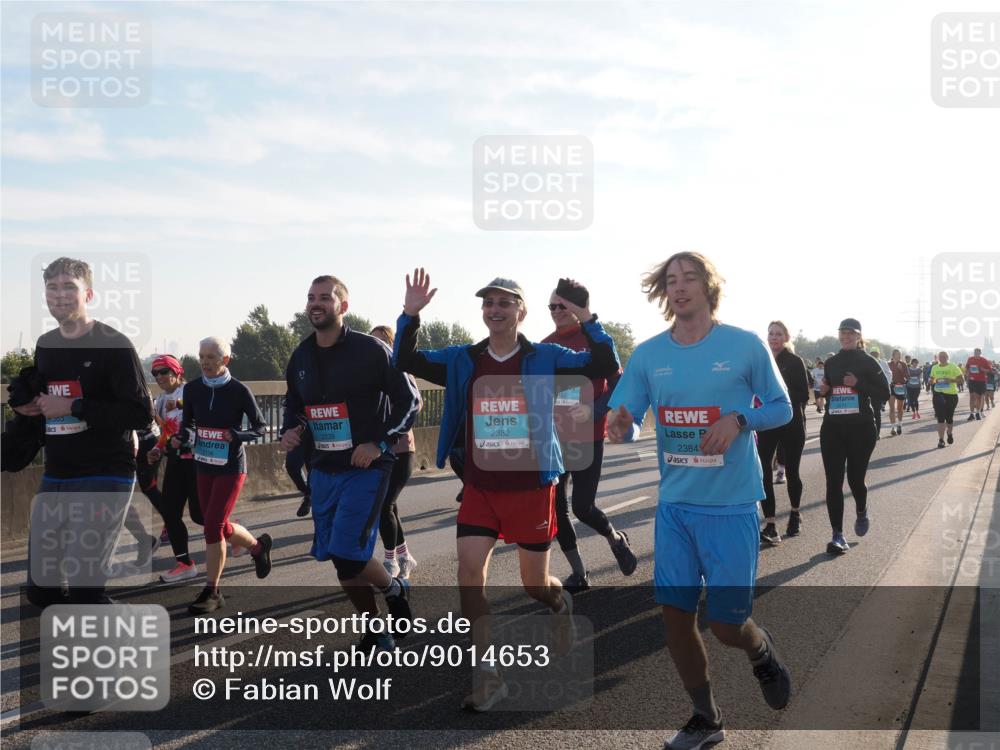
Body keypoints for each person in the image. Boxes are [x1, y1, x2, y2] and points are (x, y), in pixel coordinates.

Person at [395, 269, 619, 712]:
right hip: (480, 485)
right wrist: (411, 315)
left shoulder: (545, 356)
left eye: (504, 303)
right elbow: (407, 360)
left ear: (521, 311)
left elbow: (604, 365)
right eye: (488, 303)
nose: (494, 310)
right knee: (468, 576)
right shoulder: (465, 358)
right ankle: (488, 676)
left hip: (532, 486)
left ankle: (560, 605)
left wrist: (587, 317)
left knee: (535, 584)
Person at [606, 252, 793, 750]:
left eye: (689, 278)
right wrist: (620, 427)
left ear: (708, 287)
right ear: (663, 292)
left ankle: (760, 649)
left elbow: (781, 408)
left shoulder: (745, 345)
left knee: (728, 625)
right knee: (675, 619)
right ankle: (706, 718)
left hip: (730, 506)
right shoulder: (648, 354)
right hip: (675, 507)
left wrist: (739, 420)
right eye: (671, 280)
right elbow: (626, 422)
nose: (680, 287)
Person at [280, 277, 419, 652]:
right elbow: (293, 404)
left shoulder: (371, 349)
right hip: (322, 469)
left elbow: (411, 400)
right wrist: (289, 430)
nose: (316, 303)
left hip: (367, 468)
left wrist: (379, 442)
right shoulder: (301, 356)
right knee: (341, 563)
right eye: (311, 298)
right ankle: (376, 626)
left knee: (347, 551)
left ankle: (393, 588)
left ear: (343, 305)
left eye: (325, 297)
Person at [12, 257, 154, 606]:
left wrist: (74, 407)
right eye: (52, 288)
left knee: (83, 590)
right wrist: (25, 403)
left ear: (88, 294)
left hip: (106, 472)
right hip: (58, 474)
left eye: (69, 287)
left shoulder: (114, 345)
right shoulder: (45, 344)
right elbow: (43, 391)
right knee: (41, 591)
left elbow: (140, 412)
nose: (59, 295)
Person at [543, 279, 636, 592]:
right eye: (551, 306)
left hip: (588, 438)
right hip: (554, 440)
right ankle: (579, 574)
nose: (556, 311)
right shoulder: (545, 344)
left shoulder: (595, 342)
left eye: (561, 306)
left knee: (583, 507)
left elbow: (618, 384)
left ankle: (615, 538)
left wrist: (595, 411)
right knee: (556, 508)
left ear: (576, 308)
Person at [176, 336, 273, 614]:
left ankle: (212, 590)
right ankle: (257, 547)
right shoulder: (192, 389)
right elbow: (188, 423)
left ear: (225, 360)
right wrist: (181, 437)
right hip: (203, 462)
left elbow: (261, 427)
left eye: (211, 357)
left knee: (212, 525)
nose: (205, 362)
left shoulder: (239, 391)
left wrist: (237, 435)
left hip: (231, 467)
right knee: (214, 523)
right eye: (202, 356)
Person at [817, 319, 889, 555]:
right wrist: (823, 391)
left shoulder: (868, 361)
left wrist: (859, 384)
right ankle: (837, 535)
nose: (846, 336)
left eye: (851, 333)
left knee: (855, 479)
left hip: (861, 428)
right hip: (833, 428)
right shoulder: (832, 362)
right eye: (842, 332)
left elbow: (884, 393)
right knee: (833, 481)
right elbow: (825, 391)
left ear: (859, 336)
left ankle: (861, 509)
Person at [370, 324, 422, 580]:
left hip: (401, 450)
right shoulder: (367, 373)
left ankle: (390, 561)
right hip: (379, 451)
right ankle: (405, 556)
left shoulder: (400, 370)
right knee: (390, 507)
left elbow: (415, 403)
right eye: (372, 342)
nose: (376, 346)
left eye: (381, 342)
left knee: (384, 505)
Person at [147, 355, 204, 582]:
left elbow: (204, 412)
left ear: (177, 372)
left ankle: (240, 536)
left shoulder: (191, 391)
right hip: (175, 461)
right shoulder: (160, 401)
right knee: (170, 513)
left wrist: (179, 404)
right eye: (155, 373)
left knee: (201, 516)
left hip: (198, 460)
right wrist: (158, 450)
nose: (160, 377)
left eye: (164, 372)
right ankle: (184, 563)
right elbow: (166, 433)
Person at [757, 321, 810, 545]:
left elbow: (802, 394)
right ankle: (770, 524)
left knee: (793, 472)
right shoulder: (761, 360)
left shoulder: (795, 361)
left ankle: (795, 513)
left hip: (792, 422)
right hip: (767, 423)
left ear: (786, 337)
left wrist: (779, 396)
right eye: (770, 334)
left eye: (778, 334)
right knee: (764, 473)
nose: (773, 338)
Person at [929, 352, 963, 448]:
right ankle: (941, 440)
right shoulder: (935, 367)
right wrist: (932, 381)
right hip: (938, 394)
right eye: (941, 357)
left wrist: (951, 380)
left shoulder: (953, 366)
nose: (942, 358)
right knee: (940, 418)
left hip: (951, 395)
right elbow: (931, 379)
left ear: (948, 357)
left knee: (949, 418)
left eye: (944, 357)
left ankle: (950, 433)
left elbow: (961, 380)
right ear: (938, 358)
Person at [964, 348, 993, 421]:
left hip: (981, 381)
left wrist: (983, 370)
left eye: (977, 352)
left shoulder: (984, 360)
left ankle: (977, 412)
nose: (976, 353)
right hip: (972, 380)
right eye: (975, 352)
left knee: (979, 398)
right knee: (972, 397)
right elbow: (967, 367)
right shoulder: (970, 359)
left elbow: (990, 370)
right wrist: (967, 372)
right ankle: (971, 413)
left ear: (980, 353)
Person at [887, 349, 909, 436]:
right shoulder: (888, 364)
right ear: (893, 355)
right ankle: (893, 427)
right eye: (896, 354)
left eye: (899, 354)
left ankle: (899, 424)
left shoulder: (903, 364)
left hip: (900, 387)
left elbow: (907, 377)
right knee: (891, 408)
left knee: (899, 408)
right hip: (892, 386)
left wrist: (901, 370)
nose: (898, 356)